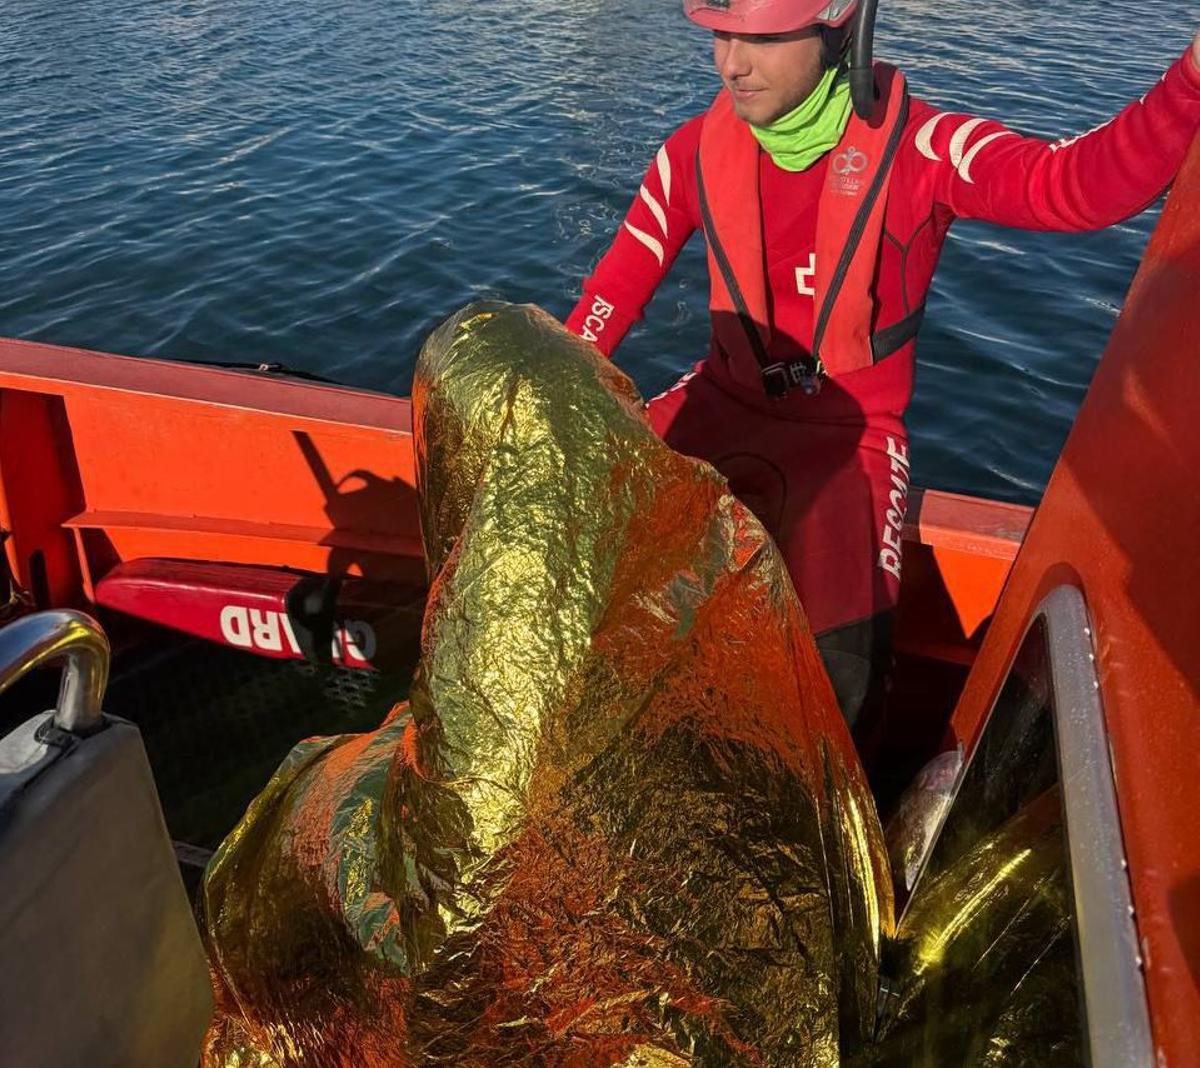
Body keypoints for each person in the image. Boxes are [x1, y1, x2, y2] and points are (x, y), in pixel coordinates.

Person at [565, 0, 1200, 735]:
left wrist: (1190, 80)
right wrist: (552, 394)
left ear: (838, 26)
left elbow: (1077, 185)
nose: (731, 64)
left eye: (761, 39)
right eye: (721, 35)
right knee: (565, 543)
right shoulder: (691, 152)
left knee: (842, 677)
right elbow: (611, 295)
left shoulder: (924, 151)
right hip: (720, 400)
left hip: (853, 435)